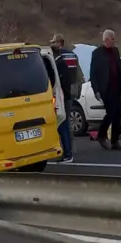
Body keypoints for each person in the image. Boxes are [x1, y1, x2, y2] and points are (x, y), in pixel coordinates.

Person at [89, 29, 121, 150]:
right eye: (112, 39)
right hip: (105, 88)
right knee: (111, 113)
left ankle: (115, 141)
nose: (114, 41)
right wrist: (96, 90)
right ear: (106, 39)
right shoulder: (97, 53)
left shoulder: (115, 51)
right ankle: (101, 135)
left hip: (116, 87)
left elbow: (120, 67)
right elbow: (93, 73)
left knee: (118, 114)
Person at [50, 34, 79, 162]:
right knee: (67, 121)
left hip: (63, 93)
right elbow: (78, 73)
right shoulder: (72, 54)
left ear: (58, 43)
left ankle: (68, 152)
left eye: (53, 42)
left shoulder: (59, 59)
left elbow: (59, 78)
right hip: (71, 90)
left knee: (63, 122)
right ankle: (69, 149)